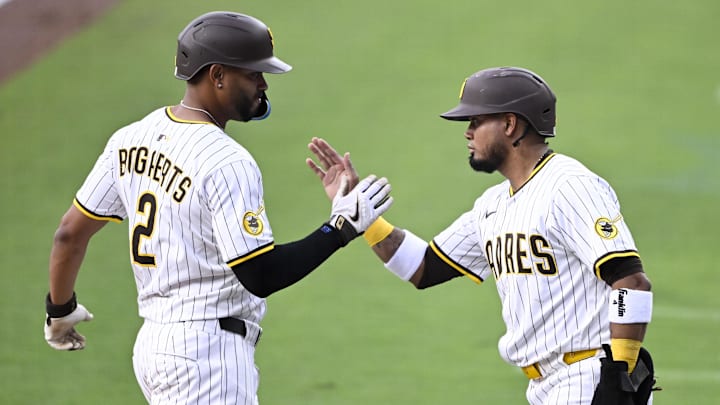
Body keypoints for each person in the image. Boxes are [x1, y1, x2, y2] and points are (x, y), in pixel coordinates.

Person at [43, 11, 393, 404]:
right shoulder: (228, 161)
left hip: (154, 348)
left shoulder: (129, 139)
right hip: (206, 356)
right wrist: (341, 228)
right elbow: (259, 273)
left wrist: (59, 311)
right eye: (254, 74)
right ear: (217, 75)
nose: (263, 85)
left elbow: (69, 233)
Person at [307, 66, 658, 405]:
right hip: (545, 385)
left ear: (509, 124)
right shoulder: (492, 206)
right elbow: (422, 267)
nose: (467, 132)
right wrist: (361, 218)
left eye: (476, 121)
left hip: (589, 378)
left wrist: (620, 375)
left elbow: (629, 281)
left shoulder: (570, 186)